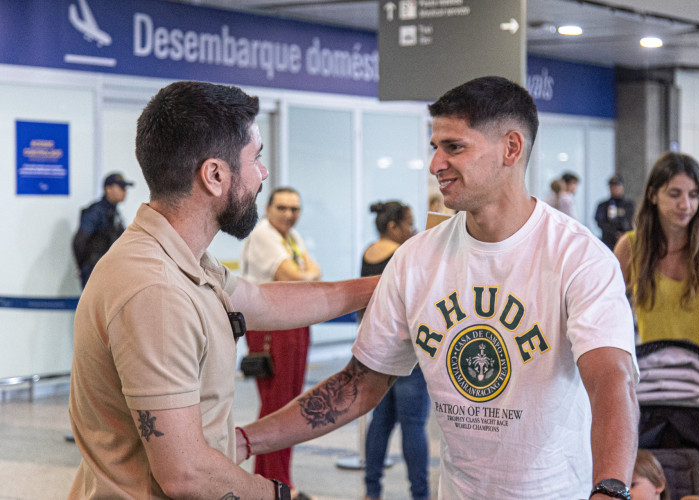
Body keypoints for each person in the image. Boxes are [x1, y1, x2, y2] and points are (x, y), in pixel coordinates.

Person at [241, 76, 639, 500]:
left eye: (454, 147)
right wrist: (243, 440)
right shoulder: (415, 258)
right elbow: (358, 385)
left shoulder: (579, 258)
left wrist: (611, 490)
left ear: (511, 148)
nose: (435, 164)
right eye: (435, 147)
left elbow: (612, 381)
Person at [67, 81, 378, 499]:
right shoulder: (155, 290)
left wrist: (384, 286)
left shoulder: (184, 257)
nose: (263, 174)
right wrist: (279, 494)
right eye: (257, 159)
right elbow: (187, 474)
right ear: (214, 175)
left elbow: (264, 300)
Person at [613, 151, 699, 499]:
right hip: (649, 385)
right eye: (674, 194)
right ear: (653, 194)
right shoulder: (630, 248)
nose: (685, 204)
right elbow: (604, 312)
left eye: (693, 195)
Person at [239, 186, 321, 498]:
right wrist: (305, 275)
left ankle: (272, 478)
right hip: (272, 329)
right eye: (283, 208)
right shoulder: (263, 235)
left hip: (294, 321)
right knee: (277, 406)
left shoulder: (291, 238)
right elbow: (297, 275)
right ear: (269, 208)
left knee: (290, 404)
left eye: (294, 209)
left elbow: (314, 270)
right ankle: (273, 481)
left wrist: (305, 275)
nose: (289, 214)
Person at [360, 201, 430, 500]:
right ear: (393, 227)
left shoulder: (368, 253)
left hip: (377, 350)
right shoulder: (403, 255)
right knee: (413, 425)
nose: (412, 229)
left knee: (381, 422)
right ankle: (421, 494)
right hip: (406, 350)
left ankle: (372, 491)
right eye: (408, 223)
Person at [72, 172, 133, 288]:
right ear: (108, 189)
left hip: (109, 270)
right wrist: (84, 266)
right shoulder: (96, 212)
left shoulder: (114, 212)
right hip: (95, 270)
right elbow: (79, 240)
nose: (124, 191)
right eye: (121, 187)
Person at [595, 174, 636, 250]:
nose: (615, 188)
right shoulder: (603, 205)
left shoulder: (629, 205)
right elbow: (600, 222)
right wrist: (614, 233)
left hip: (627, 241)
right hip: (609, 242)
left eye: (617, 186)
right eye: (612, 186)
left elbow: (632, 221)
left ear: (622, 187)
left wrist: (624, 234)